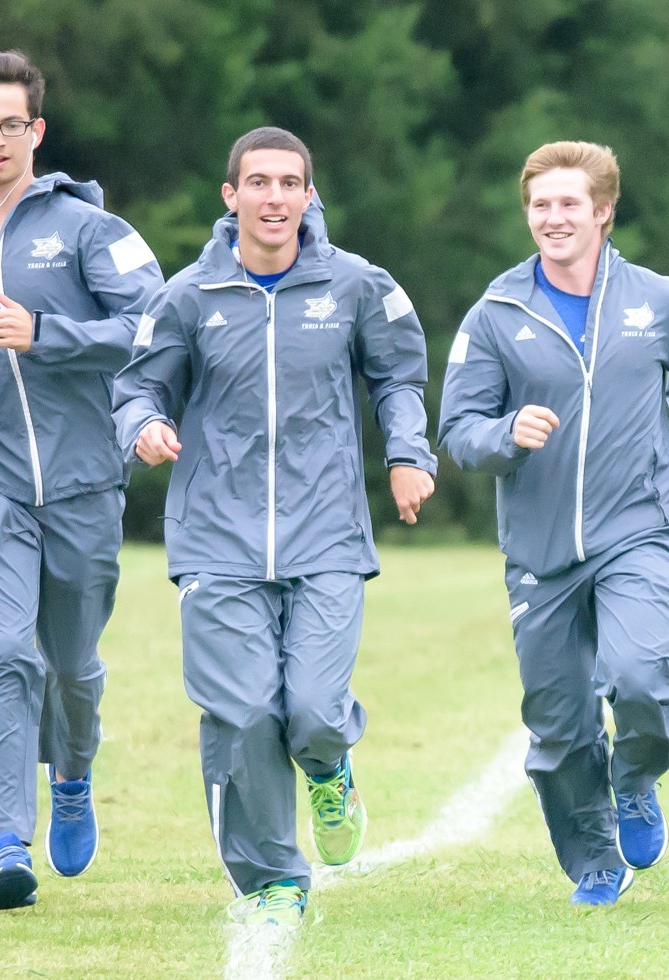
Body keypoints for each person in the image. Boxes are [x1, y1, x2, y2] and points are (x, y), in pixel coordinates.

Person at [111, 127, 437, 928]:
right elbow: (136, 387)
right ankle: (270, 881)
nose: (275, 198)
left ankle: (331, 772)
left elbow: (397, 373)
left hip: (325, 530)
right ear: (231, 197)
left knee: (315, 712)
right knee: (244, 714)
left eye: (290, 183)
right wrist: (145, 427)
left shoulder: (357, 286)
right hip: (216, 538)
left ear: (307, 195)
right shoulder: (188, 296)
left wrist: (407, 453)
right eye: (258, 183)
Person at [438, 140, 669, 907]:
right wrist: (505, 434)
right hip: (538, 553)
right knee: (560, 727)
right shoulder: (497, 311)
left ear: (603, 212)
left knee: (639, 677)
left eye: (569, 203)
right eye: (540, 204)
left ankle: (636, 778)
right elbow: (459, 429)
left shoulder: (661, 302)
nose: (553, 217)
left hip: (637, 529)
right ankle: (596, 860)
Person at [0, 49, 163, 910]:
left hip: (86, 482)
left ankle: (74, 774)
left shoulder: (92, 231)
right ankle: (5, 841)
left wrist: (45, 331)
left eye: (13, 124)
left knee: (73, 666)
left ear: (37, 130)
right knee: (2, 650)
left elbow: (151, 329)